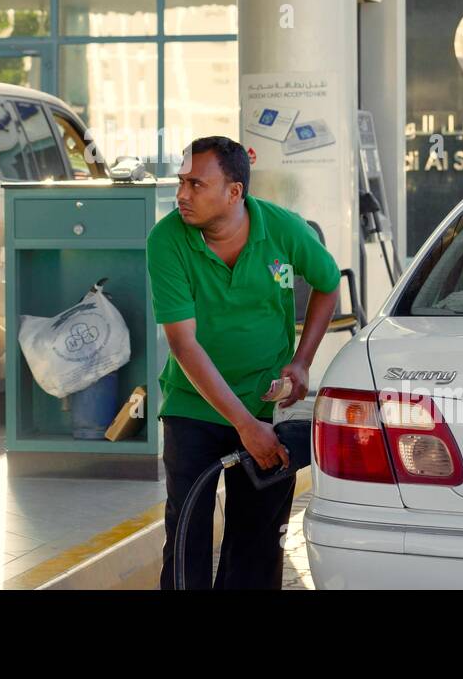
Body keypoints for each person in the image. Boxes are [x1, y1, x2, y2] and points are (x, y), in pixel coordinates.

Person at [146, 136, 340, 590]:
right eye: (181, 182)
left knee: (256, 544)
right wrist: (244, 427)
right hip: (193, 405)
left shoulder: (284, 229)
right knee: (186, 535)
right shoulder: (167, 240)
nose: (181, 194)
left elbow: (327, 285)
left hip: (263, 403)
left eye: (196, 184)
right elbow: (183, 344)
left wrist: (302, 362)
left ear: (234, 192)